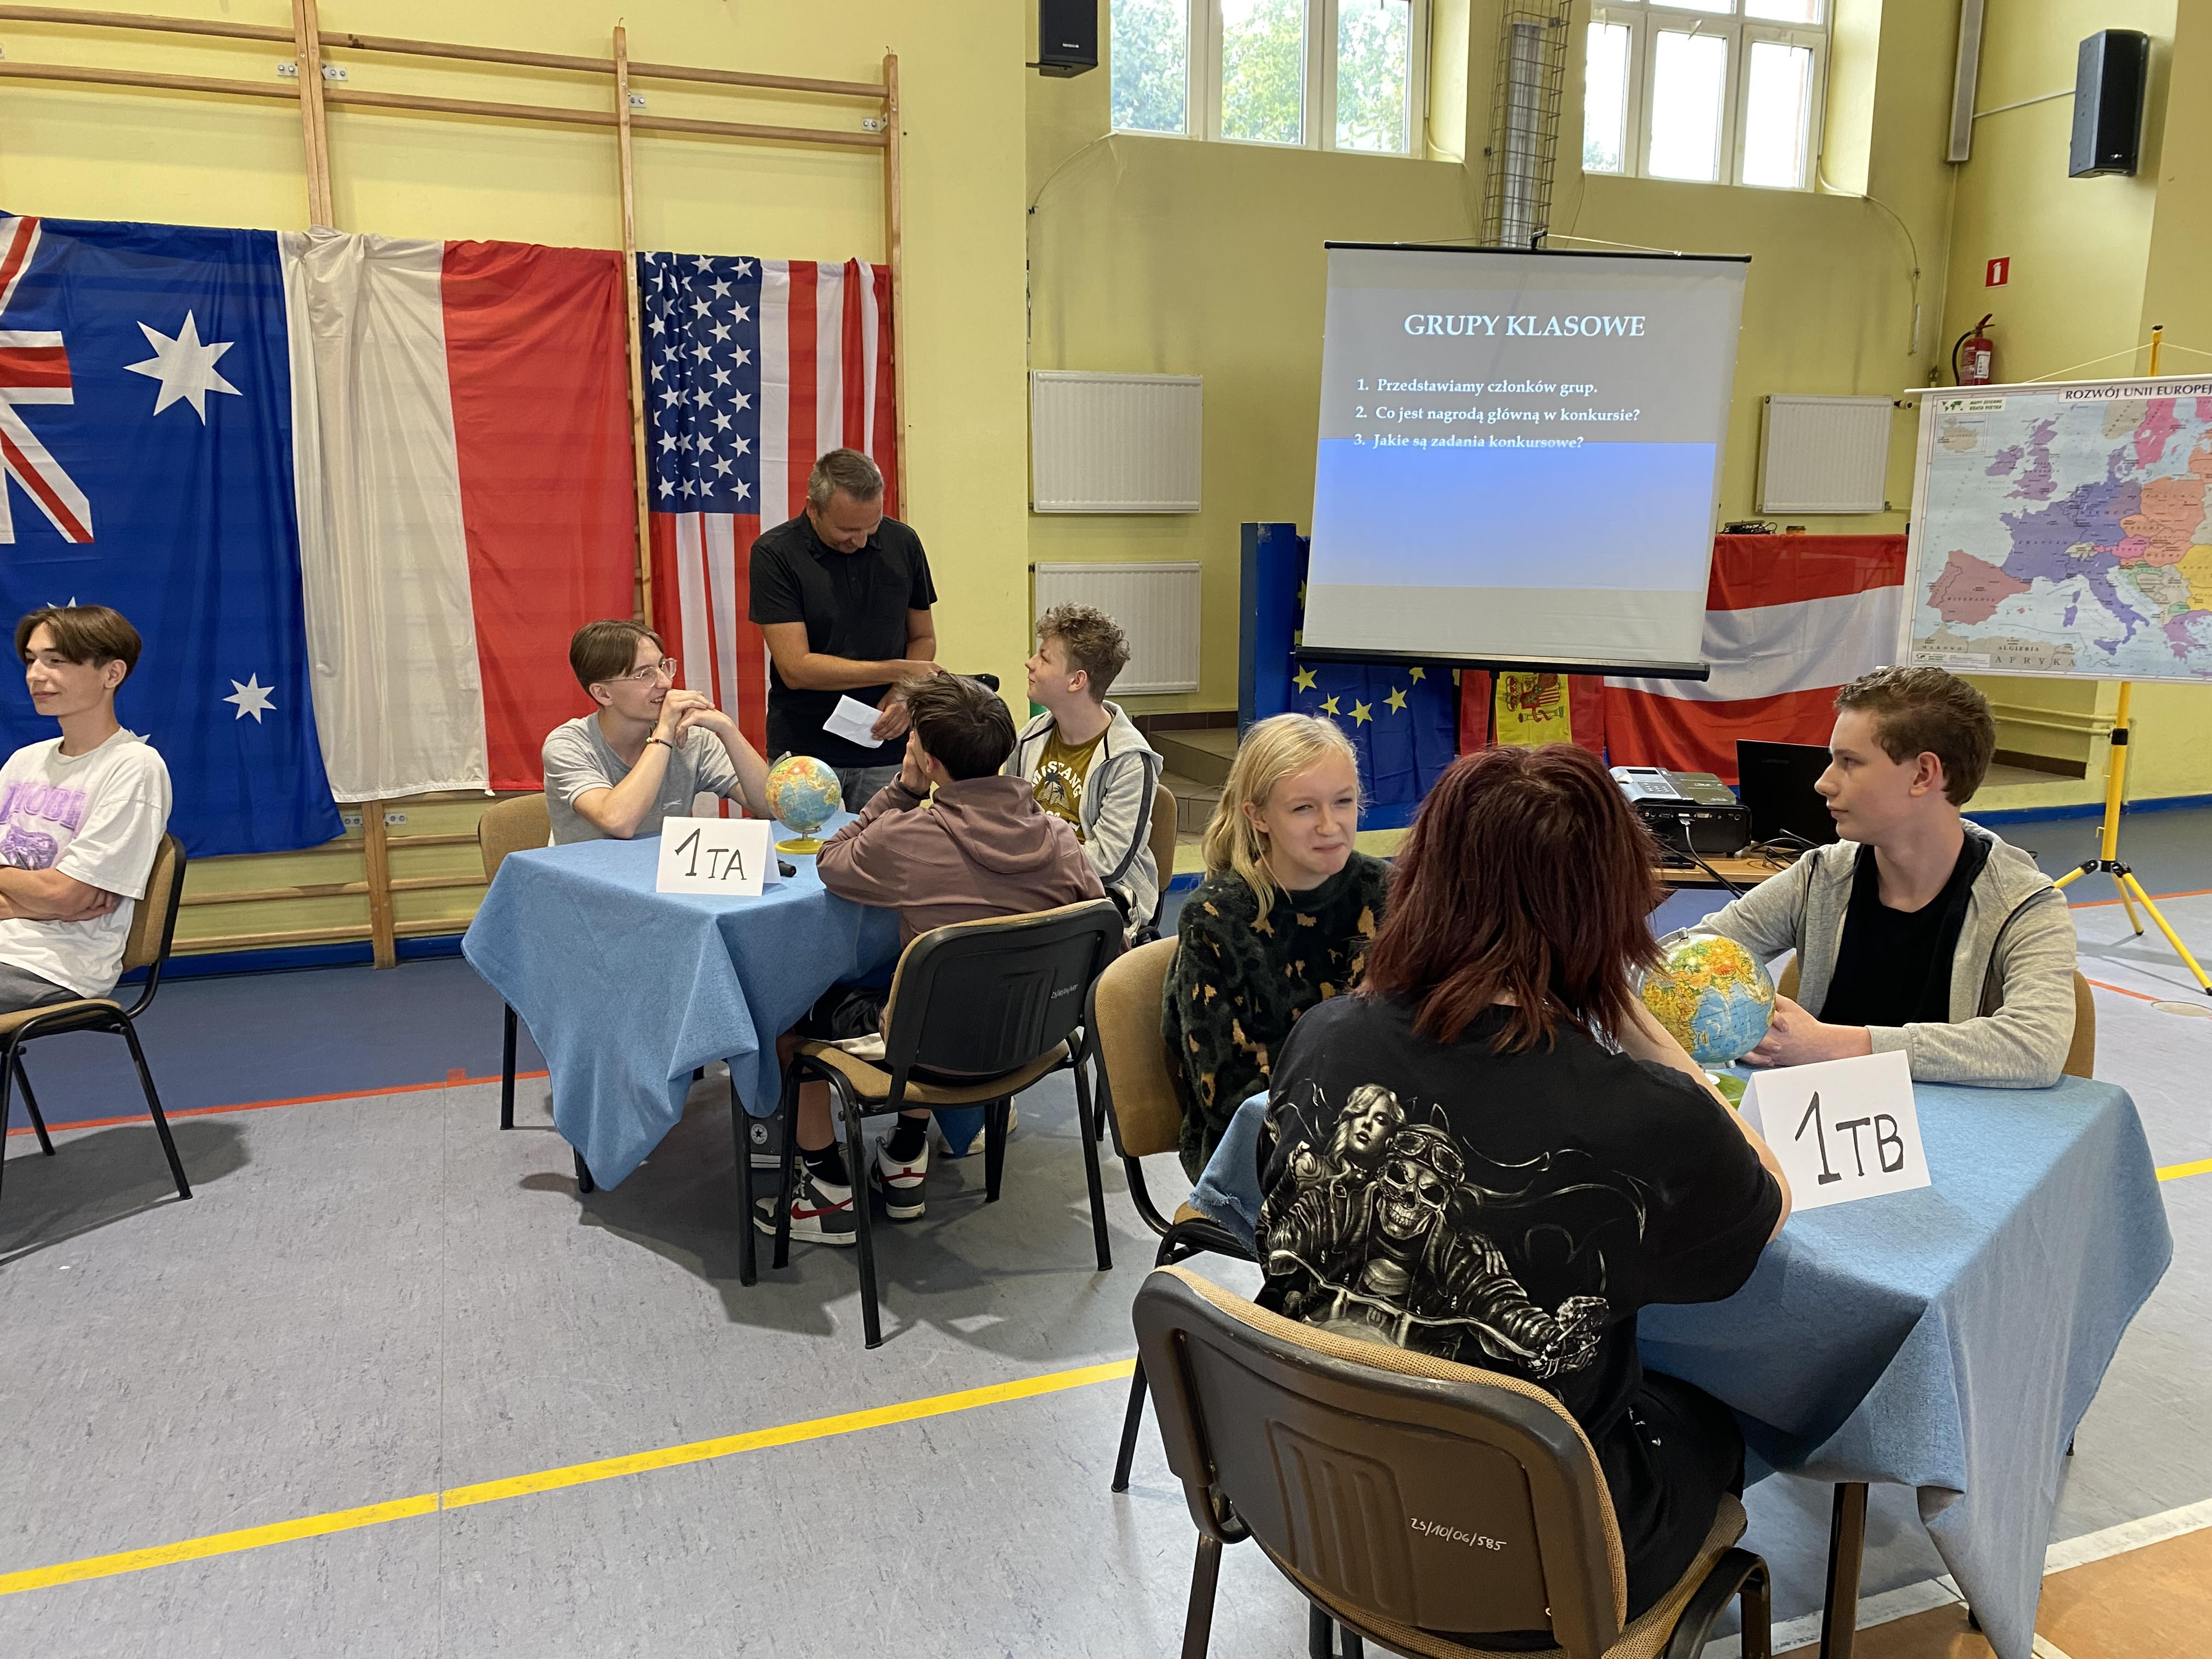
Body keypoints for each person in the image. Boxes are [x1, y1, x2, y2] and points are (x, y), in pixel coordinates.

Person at [1256, 744, 1790, 1638]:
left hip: (1316, 1501)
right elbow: (1767, 1202)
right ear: (1610, 903)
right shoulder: (1646, 1114)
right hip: (1537, 1576)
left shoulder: (1323, 1035)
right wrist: (1630, 1016)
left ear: (1421, 877)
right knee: (1715, 1412)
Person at [759, 672, 1105, 1243]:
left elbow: (832, 861)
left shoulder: (907, 837)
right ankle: (904, 1153)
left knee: (787, 1017)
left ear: (930, 760)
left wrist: (903, 788)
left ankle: (825, 1192)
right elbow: (1103, 939)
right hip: (1034, 1044)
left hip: (929, 1053)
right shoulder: (1060, 839)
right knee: (932, 990)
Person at [1685, 666, 2078, 1086]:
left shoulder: (2024, 905)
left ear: (1923, 775)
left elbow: (2036, 1047)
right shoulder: (1820, 876)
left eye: (1849, 763)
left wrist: (1830, 1044)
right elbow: (1680, 964)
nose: (1823, 783)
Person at [1163, 713, 1388, 1180]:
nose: (1330, 825)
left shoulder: (1387, 890)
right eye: (1304, 808)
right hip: (1259, 1144)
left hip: (1374, 1134)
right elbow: (1226, 1095)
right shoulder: (1216, 918)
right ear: (1259, 816)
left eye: (1344, 802)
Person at [0, 606, 173, 1013]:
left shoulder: (134, 767)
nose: (35, 675)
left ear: (112, 674)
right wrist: (33, 899)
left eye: (56, 661)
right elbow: (62, 898)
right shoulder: (24, 761)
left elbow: (67, 896)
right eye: (31, 660)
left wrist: (52, 897)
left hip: (52, 965)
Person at [748, 447, 939, 810]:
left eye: (872, 527)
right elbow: (796, 669)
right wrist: (900, 670)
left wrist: (903, 693)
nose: (861, 540)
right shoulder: (775, 554)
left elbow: (923, 637)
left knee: (889, 844)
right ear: (813, 509)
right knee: (806, 846)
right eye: (847, 530)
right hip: (807, 750)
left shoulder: (904, 542)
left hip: (887, 748)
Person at [1005, 603, 1164, 938]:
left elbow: (1108, 863)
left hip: (1103, 896)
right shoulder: (1030, 736)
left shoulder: (1130, 761)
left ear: (1077, 681)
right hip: (1037, 881)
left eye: (1044, 658)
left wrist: (1028, 864)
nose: (1030, 663)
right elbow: (1009, 819)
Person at [542, 620, 770, 845]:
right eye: (644, 674)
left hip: (660, 868)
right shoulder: (568, 745)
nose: (665, 682)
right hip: (585, 869)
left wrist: (728, 729)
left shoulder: (693, 738)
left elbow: (770, 808)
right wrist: (664, 732)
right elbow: (618, 822)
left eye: (662, 666)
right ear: (603, 694)